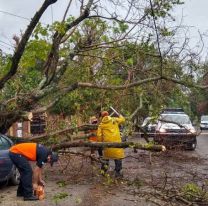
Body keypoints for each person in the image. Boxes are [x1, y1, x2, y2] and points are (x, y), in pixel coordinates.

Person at [97, 111, 125, 178]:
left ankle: (103, 172)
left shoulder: (101, 125)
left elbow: (99, 136)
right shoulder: (114, 120)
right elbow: (123, 120)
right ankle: (118, 173)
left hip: (107, 145)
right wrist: (120, 114)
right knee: (118, 158)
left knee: (106, 158)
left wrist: (101, 144)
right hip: (117, 144)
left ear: (101, 117)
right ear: (108, 115)